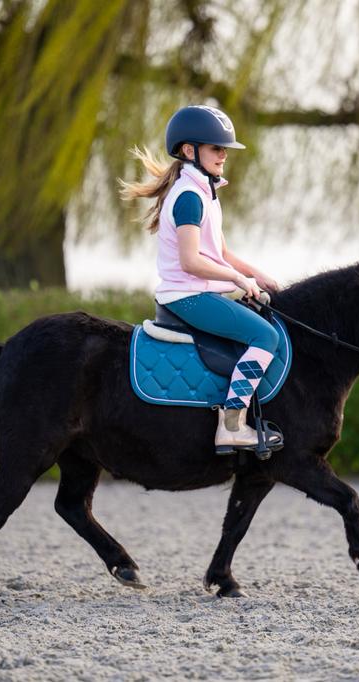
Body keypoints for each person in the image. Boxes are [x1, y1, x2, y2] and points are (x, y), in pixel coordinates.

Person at [120, 105, 283, 455]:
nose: (223, 155)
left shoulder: (206, 192)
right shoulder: (189, 197)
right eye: (216, 148)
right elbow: (191, 261)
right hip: (186, 296)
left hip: (199, 291)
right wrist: (238, 279)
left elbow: (221, 253)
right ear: (189, 151)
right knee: (265, 336)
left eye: (225, 149)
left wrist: (258, 275)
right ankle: (233, 425)